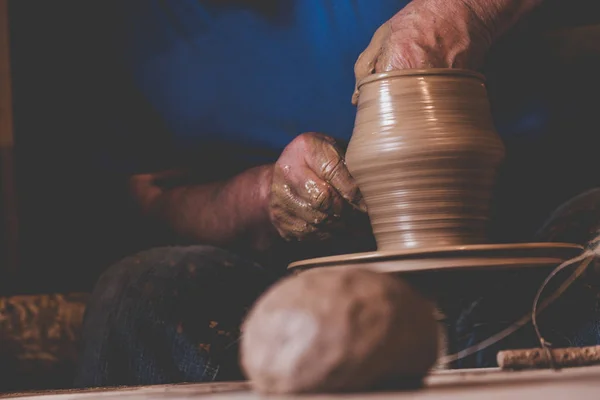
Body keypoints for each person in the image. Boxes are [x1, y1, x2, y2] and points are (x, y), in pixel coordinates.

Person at [74, 0, 600, 387]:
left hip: (533, 244)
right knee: (136, 295)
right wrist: (263, 195)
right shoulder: (131, 25)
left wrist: (460, 12)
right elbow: (153, 195)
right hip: (299, 282)